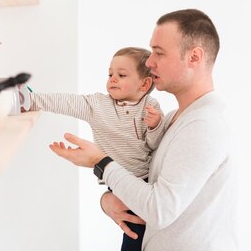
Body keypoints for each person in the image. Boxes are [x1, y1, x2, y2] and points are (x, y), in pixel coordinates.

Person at [50, 9, 239, 250]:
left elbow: (160, 210)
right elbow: (149, 188)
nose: (149, 63)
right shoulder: (173, 120)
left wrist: (102, 162)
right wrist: (108, 200)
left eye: (159, 53)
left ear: (194, 57)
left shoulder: (204, 126)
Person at [24, 46, 165, 250]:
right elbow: (67, 103)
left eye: (121, 75)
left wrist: (154, 126)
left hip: (143, 181)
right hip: (115, 183)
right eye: (110, 74)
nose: (113, 79)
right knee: (133, 232)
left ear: (144, 84)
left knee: (140, 235)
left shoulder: (150, 107)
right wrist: (32, 100)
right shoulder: (98, 105)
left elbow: (154, 144)